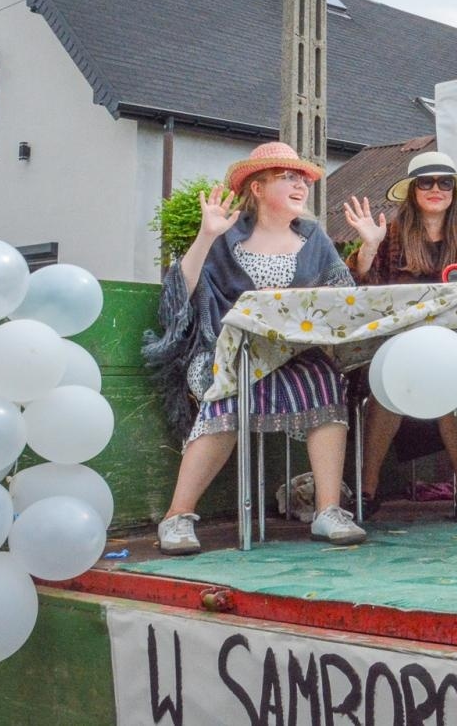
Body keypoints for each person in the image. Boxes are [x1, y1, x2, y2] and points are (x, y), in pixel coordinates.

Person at [145, 142, 367, 554]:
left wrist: (366, 249)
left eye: (302, 178)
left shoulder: (314, 238)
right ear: (258, 188)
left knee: (327, 380)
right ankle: (176, 517)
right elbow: (177, 297)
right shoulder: (224, 237)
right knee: (228, 391)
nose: (300, 184)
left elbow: (344, 298)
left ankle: (328, 511)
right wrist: (204, 236)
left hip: (296, 355)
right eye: (288, 177)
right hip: (229, 353)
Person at [344, 151, 457, 513]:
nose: (436, 189)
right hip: (396, 352)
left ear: (454, 192)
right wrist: (368, 247)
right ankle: (366, 494)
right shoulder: (388, 237)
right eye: (426, 182)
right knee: (389, 384)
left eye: (444, 182)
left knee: (453, 383)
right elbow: (355, 291)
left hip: (456, 355)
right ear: (413, 192)